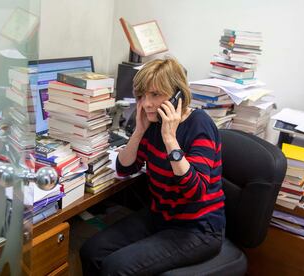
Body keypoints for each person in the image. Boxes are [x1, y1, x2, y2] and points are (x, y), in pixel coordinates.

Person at [80, 57, 226, 275]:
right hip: (161, 215)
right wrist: (139, 131)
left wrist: (170, 139)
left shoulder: (199, 125)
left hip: (198, 229)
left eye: (155, 95)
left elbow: (195, 191)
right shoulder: (152, 123)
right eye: (142, 95)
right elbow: (124, 168)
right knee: (91, 251)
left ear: (178, 95)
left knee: (116, 267)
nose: (147, 103)